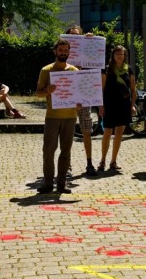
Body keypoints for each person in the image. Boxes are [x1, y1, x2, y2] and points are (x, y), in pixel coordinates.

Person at [35, 38, 79, 193]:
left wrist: (80, 102)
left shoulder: (74, 71)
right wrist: (47, 90)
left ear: (69, 52)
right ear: (55, 51)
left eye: (66, 50)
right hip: (52, 117)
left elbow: (79, 94)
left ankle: (62, 183)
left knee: (66, 151)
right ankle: (48, 183)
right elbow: (38, 93)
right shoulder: (46, 70)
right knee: (48, 150)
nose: (63, 53)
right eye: (60, 50)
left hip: (70, 117)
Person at [98, 44, 135, 172]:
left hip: (124, 105)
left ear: (125, 56)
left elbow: (133, 89)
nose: (119, 56)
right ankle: (102, 160)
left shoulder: (129, 70)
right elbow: (101, 89)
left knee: (119, 134)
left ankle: (113, 161)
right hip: (109, 105)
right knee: (107, 133)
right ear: (113, 55)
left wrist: (132, 105)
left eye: (121, 54)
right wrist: (101, 106)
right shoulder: (107, 69)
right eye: (117, 53)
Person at [65, 25, 97, 175]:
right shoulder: (63, 53)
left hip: (84, 95)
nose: (75, 38)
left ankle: (89, 163)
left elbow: (96, 59)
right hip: (69, 96)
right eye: (72, 35)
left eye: (77, 35)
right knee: (67, 132)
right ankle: (67, 165)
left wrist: (90, 41)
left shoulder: (86, 52)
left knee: (86, 130)